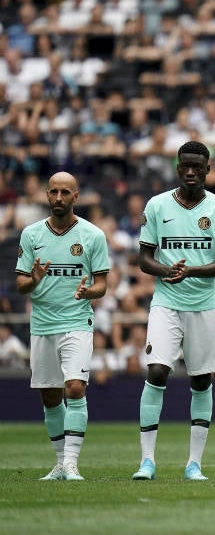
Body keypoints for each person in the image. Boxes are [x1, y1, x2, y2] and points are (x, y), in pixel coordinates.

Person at [131, 141, 215, 481]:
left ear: (208, 169)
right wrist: (167, 272)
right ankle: (147, 461)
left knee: (201, 379)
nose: (190, 171)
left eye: (197, 166)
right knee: (157, 371)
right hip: (166, 304)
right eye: (184, 166)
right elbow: (144, 259)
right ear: (177, 168)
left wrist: (188, 271)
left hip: (204, 305)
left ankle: (194, 463)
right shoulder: (158, 206)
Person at [16, 172, 110, 481]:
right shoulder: (31, 234)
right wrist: (34, 279)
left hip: (76, 322)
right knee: (50, 397)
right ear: (46, 194)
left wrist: (88, 292)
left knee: (75, 387)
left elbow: (102, 286)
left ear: (76, 196)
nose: (59, 197)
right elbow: (21, 285)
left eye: (65, 192)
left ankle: (71, 463)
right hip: (43, 324)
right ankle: (59, 463)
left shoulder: (92, 235)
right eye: (54, 191)